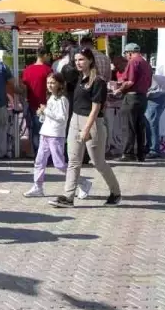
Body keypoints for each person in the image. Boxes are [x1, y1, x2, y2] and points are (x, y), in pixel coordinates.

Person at [51, 48, 121, 208]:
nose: (78, 63)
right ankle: (68, 197)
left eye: (81, 59)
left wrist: (86, 129)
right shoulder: (77, 78)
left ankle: (115, 192)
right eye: (76, 60)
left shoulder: (98, 81)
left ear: (90, 60)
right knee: (73, 161)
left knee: (98, 162)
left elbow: (96, 109)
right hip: (75, 119)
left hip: (92, 123)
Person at [27, 74, 69, 198]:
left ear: (60, 84)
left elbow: (62, 118)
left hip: (55, 135)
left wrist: (46, 111)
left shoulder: (62, 100)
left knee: (59, 164)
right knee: (39, 161)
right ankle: (37, 187)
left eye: (52, 83)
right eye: (48, 83)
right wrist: (42, 114)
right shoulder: (51, 98)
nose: (49, 85)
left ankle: (81, 181)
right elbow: (48, 117)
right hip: (45, 133)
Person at [117, 42, 153, 162]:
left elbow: (130, 82)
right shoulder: (146, 63)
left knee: (128, 126)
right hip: (143, 97)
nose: (126, 57)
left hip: (132, 97)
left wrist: (119, 90)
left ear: (129, 53)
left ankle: (128, 154)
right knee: (139, 126)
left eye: (126, 54)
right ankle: (141, 154)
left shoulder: (133, 62)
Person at [20, 50, 54, 156]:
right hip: (46, 103)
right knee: (46, 130)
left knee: (35, 130)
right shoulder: (48, 70)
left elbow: (24, 87)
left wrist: (25, 99)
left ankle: (37, 153)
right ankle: (44, 154)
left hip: (32, 103)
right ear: (44, 55)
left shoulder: (27, 70)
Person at [145, 74, 165, 158]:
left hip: (158, 95)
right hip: (158, 94)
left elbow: (153, 93)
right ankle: (150, 147)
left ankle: (154, 150)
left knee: (151, 122)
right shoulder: (154, 78)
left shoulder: (151, 79)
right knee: (149, 122)